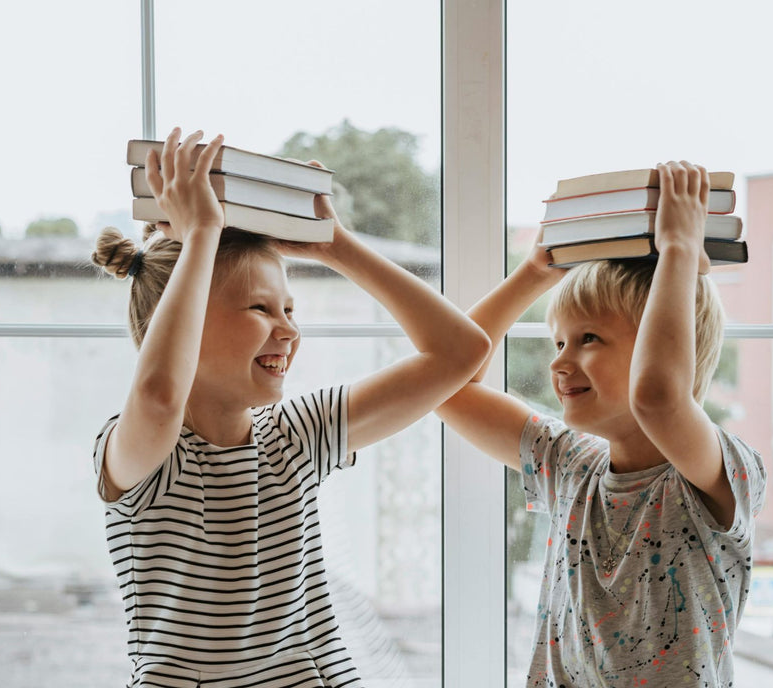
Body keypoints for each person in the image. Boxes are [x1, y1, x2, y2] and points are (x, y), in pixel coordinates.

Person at [90, 127, 489, 687]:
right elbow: (159, 396)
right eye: (261, 308)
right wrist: (203, 233)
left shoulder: (296, 435)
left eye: (291, 309)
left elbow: (461, 353)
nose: (289, 330)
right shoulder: (145, 454)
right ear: (183, 327)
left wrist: (336, 248)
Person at [437, 161, 766, 687]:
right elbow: (444, 383)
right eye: (559, 342)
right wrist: (533, 276)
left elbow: (658, 398)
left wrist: (680, 250)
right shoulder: (569, 463)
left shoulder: (717, 471)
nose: (559, 363)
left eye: (589, 339)